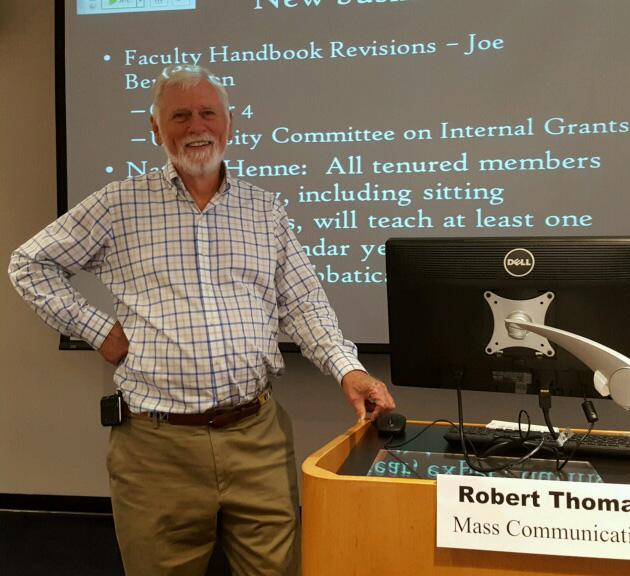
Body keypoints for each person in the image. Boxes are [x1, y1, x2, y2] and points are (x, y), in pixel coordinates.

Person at [8, 64, 396, 576]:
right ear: (155, 129)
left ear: (229, 125)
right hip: (155, 448)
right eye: (180, 115)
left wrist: (351, 370)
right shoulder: (118, 204)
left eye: (208, 113)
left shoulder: (264, 211)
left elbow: (304, 305)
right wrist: (96, 330)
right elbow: (29, 264)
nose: (197, 126)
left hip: (256, 437)